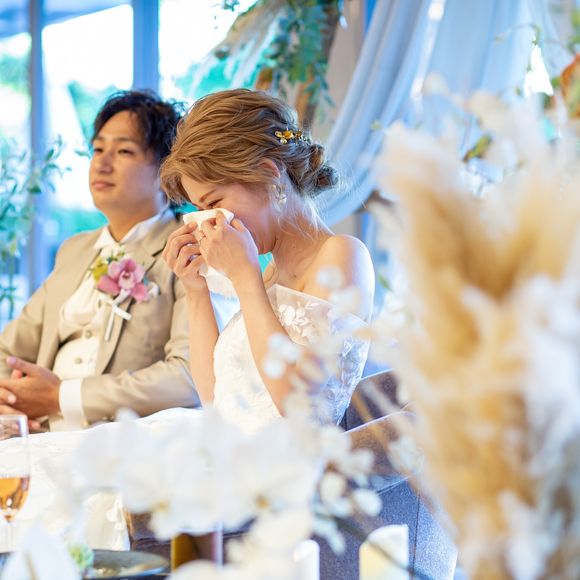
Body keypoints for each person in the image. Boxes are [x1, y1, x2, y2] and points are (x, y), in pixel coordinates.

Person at [161, 88, 375, 435]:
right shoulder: (272, 272)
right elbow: (216, 398)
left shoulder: (344, 255)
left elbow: (297, 404)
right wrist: (195, 290)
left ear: (270, 173)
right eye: (200, 210)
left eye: (213, 203)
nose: (209, 221)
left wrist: (245, 278)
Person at [0, 90, 200, 431]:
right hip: (40, 432)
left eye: (124, 151)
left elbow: (188, 376)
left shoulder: (189, 246)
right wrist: (11, 404)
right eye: (97, 149)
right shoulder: (75, 249)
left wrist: (62, 397)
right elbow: (8, 351)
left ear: (166, 170)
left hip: (123, 440)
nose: (101, 164)